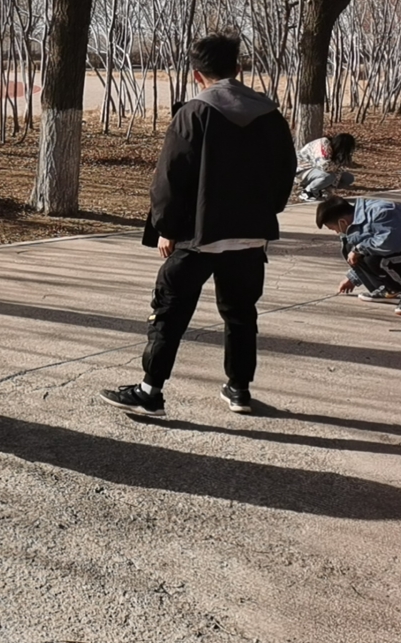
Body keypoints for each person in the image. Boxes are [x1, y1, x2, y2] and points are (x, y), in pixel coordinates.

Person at [102, 33, 297, 417]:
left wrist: (166, 228)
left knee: (170, 312)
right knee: (241, 315)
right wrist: (265, 212)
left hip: (199, 236)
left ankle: (150, 392)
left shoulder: (194, 112)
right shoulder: (270, 114)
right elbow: (285, 170)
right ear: (238, 68)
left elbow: (171, 176)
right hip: (250, 237)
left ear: (196, 74)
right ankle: (239, 390)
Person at [315, 196, 401, 316]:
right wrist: (353, 277)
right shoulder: (360, 217)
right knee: (351, 247)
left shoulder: (383, 213)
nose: (336, 232)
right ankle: (389, 291)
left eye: (333, 228)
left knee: (372, 257)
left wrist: (358, 250)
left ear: (342, 222)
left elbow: (389, 245)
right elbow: (368, 247)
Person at [295, 132, 356, 201]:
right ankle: (308, 192)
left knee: (348, 178)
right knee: (329, 176)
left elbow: (337, 171)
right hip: (302, 170)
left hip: (316, 170)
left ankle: (321, 189)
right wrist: (337, 168)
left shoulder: (335, 151)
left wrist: (331, 190)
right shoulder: (323, 144)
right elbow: (324, 166)